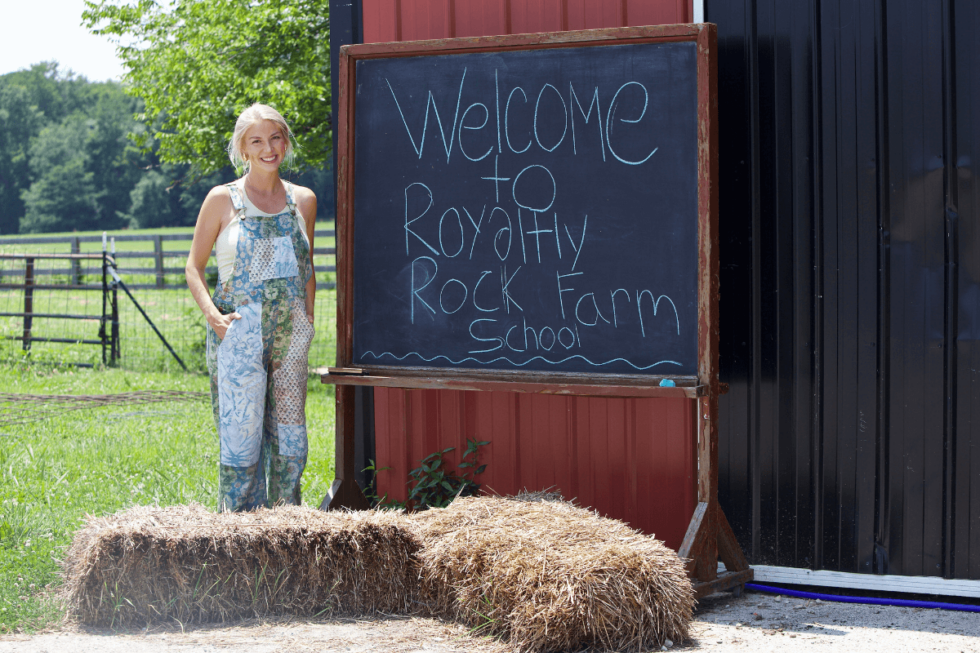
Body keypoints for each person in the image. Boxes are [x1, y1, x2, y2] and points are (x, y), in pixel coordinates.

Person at [186, 103, 317, 511]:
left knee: (291, 442)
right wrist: (213, 317)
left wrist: (309, 323)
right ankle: (240, 541)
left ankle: (286, 530)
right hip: (238, 335)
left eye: (275, 137)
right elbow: (194, 267)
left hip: (291, 338)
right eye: (256, 141)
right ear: (243, 149)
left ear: (286, 141)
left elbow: (308, 270)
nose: (268, 148)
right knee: (241, 445)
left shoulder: (304, 200)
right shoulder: (221, 200)